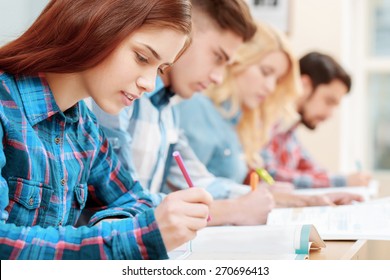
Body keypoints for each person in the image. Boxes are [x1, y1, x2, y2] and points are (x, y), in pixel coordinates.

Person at [0, 0, 213, 260]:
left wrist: (112, 229)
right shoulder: (4, 106)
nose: (149, 83)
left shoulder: (85, 130)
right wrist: (130, 239)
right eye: (142, 57)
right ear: (94, 25)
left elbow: (136, 201)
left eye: (159, 69)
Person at [92, 0, 275, 226]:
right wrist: (231, 211)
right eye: (217, 57)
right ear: (184, 32)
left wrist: (262, 198)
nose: (218, 77)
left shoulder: (167, 107)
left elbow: (199, 180)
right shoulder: (118, 93)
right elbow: (123, 200)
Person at [176, 23, 363, 207]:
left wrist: (302, 199)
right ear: (237, 61)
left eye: (277, 79)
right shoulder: (197, 109)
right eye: (265, 72)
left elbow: (225, 188)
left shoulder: (239, 123)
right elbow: (187, 192)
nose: (270, 87)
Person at [262, 51, 371, 189]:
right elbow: (267, 175)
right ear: (304, 85)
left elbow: (310, 168)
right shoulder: (264, 118)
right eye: (328, 101)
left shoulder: (289, 128)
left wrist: (348, 181)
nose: (329, 114)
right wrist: (342, 182)